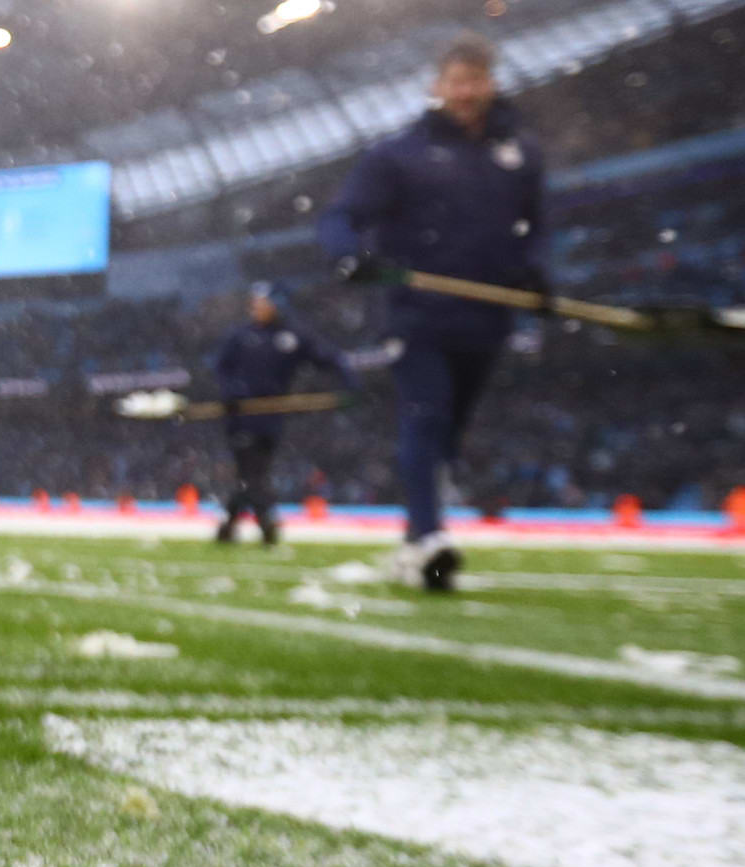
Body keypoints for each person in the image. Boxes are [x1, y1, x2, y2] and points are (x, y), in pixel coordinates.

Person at [317, 33, 545, 591]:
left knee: (449, 433)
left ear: (490, 84)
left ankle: (416, 536)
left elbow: (537, 226)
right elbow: (340, 217)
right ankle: (427, 537)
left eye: (476, 80)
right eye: (456, 81)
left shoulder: (519, 154)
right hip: (418, 314)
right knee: (426, 416)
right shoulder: (397, 155)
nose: (466, 91)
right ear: (436, 87)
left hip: (488, 318)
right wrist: (350, 257)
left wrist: (537, 274)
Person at [204, 281, 351, 546]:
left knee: (250, 475)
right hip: (241, 416)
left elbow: (328, 358)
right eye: (255, 303)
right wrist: (232, 393)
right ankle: (266, 523)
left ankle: (227, 527)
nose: (257, 308)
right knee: (253, 471)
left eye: (263, 303)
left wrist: (348, 382)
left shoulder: (292, 336)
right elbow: (220, 368)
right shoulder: (240, 336)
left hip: (271, 416)